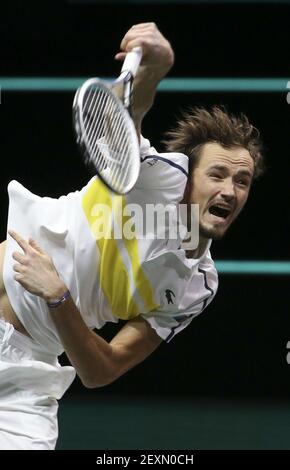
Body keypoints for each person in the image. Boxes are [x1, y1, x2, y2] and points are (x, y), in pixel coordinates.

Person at [0, 23, 264, 450]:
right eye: (217, 174)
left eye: (243, 181)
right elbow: (131, 113)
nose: (230, 190)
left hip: (26, 378)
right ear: (188, 181)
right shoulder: (160, 178)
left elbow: (100, 370)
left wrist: (58, 296)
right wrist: (156, 70)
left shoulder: (197, 287)